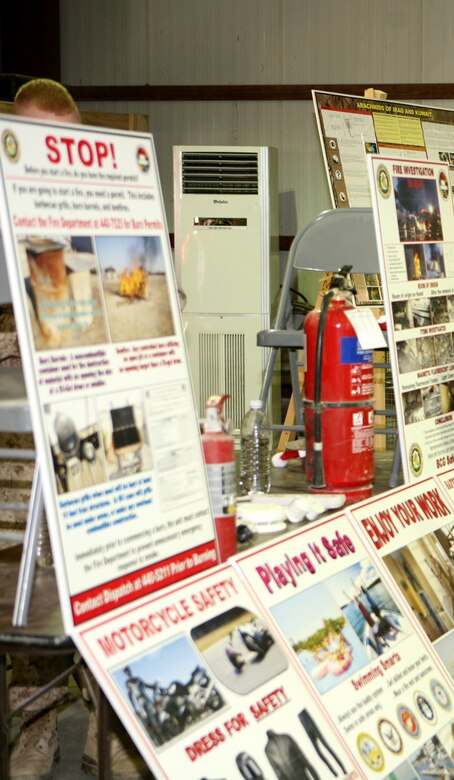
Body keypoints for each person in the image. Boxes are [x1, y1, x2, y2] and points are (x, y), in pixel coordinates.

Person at [7, 77, 147, 780]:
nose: (45, 159)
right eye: (29, 142)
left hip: (94, 451)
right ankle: (30, 740)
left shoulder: (104, 218)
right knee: (24, 619)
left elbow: (154, 305)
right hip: (14, 464)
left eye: (58, 145)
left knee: (106, 599)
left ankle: (114, 742)